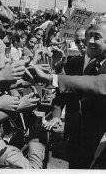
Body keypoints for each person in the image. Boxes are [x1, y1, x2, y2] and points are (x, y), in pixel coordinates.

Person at [30, 22, 106, 168]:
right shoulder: (91, 64)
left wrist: (51, 78)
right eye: (88, 37)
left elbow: (98, 84)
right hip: (79, 133)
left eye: (96, 37)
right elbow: (70, 90)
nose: (88, 42)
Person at [43, 27, 88, 168]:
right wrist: (56, 115)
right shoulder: (72, 63)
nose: (81, 44)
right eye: (77, 41)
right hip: (73, 125)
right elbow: (61, 93)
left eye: (84, 40)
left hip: (96, 130)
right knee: (74, 164)